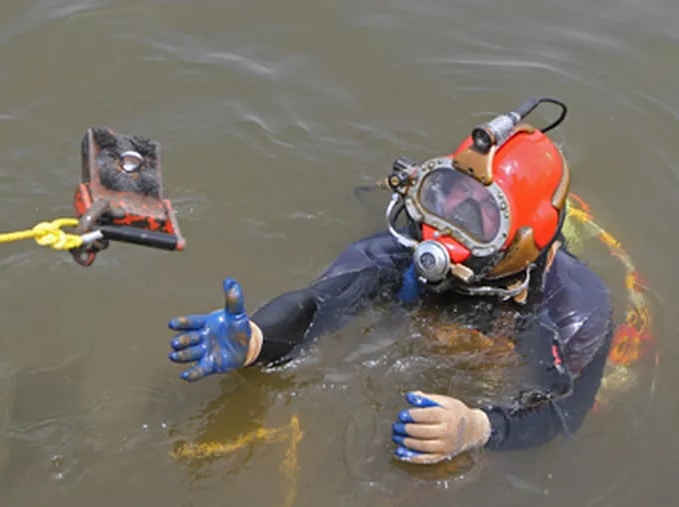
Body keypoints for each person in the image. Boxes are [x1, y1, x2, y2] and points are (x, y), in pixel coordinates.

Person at [166, 97, 613, 465]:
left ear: (521, 240)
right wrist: (259, 341)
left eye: (476, 219)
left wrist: (479, 428)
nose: (441, 231)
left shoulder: (574, 306)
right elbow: (321, 304)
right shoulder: (401, 249)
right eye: (443, 198)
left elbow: (563, 413)